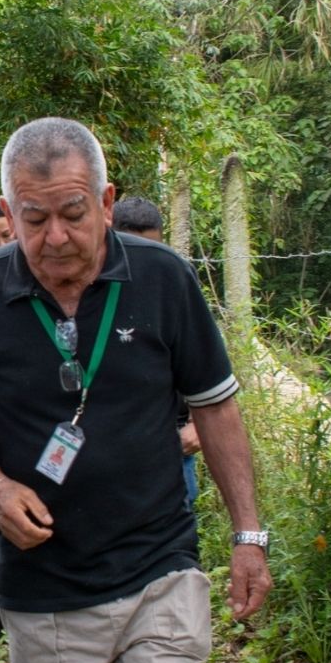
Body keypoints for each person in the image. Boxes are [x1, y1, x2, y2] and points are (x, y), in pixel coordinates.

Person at [0, 118, 271, 663]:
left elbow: (218, 408)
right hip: (45, 582)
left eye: (72, 213)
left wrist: (248, 533)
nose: (55, 236)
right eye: (33, 219)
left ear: (107, 200)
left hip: (156, 563)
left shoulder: (162, 279)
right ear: (7, 209)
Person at [111, 198, 202, 508]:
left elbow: (206, 372)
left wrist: (196, 427)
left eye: (152, 249)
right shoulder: (89, 292)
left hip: (170, 448)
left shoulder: (173, 283)